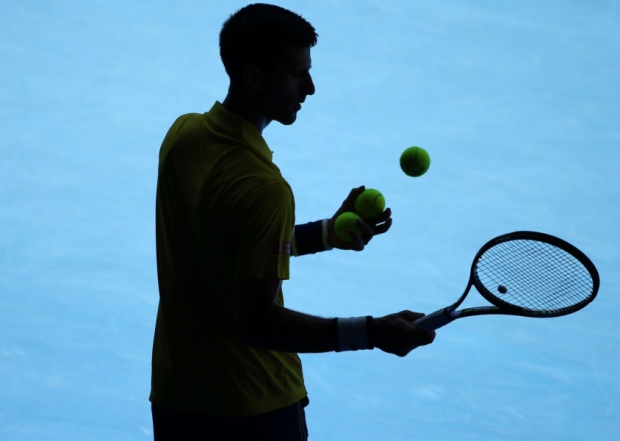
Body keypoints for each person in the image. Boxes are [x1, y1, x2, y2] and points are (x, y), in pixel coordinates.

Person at [149, 3, 436, 440]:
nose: (311, 87)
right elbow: (259, 322)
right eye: (295, 73)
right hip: (254, 407)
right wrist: (372, 332)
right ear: (254, 76)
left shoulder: (183, 136)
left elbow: (227, 243)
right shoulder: (264, 187)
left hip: (176, 398)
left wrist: (327, 234)